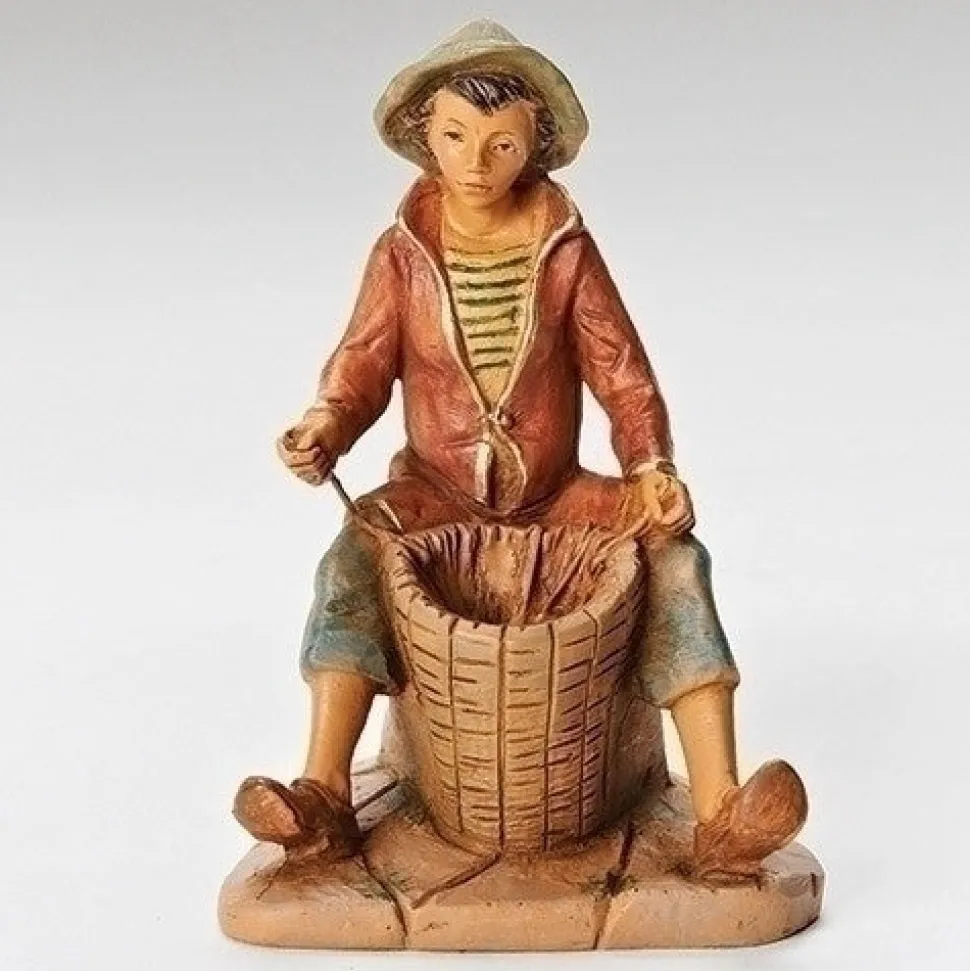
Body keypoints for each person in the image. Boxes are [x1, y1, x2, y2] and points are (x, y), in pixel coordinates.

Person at [232, 19, 807, 881]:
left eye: (501, 143)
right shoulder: (402, 256)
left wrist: (652, 468)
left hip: (556, 494)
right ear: (425, 137)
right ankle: (323, 795)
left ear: (533, 147)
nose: (475, 161)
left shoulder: (564, 250)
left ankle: (721, 810)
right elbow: (361, 365)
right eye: (455, 136)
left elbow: (622, 374)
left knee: (677, 557)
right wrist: (324, 427)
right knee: (351, 561)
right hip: (434, 491)